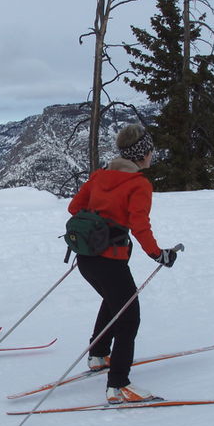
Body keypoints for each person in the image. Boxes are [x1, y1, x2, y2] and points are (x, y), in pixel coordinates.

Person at [67, 123, 178, 404]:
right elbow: (140, 225)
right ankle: (118, 385)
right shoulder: (139, 184)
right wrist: (158, 254)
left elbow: (74, 208)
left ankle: (98, 354)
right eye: (150, 150)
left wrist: (99, 226)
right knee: (129, 317)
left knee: (115, 301)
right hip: (110, 262)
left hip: (86, 259)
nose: (152, 155)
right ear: (141, 154)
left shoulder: (100, 176)